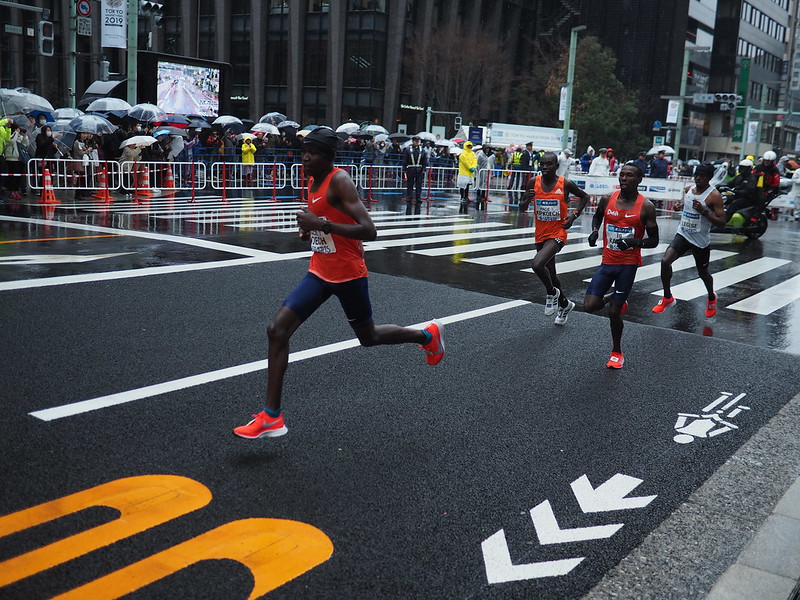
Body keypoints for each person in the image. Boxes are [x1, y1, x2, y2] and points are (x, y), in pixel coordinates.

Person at [233, 127, 445, 439]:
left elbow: (369, 231)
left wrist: (321, 224)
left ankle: (426, 335)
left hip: (348, 275)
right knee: (277, 330)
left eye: (312, 152)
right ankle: (271, 417)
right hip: (319, 272)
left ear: (328, 156)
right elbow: (323, 225)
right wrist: (311, 231)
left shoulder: (340, 180)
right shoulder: (311, 179)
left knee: (368, 337)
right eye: (304, 151)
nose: (305, 157)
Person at [583, 164, 659, 368]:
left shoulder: (646, 207)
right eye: (622, 174)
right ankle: (614, 297)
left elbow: (654, 241)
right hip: (607, 261)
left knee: (614, 313)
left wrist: (634, 242)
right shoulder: (608, 199)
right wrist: (594, 230)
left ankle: (616, 351)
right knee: (589, 306)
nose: (624, 178)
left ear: (639, 180)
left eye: (630, 175)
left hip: (628, 265)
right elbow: (598, 215)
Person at [519, 152, 590, 325]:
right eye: (542, 164)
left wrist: (573, 216)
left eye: (549, 164)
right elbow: (521, 208)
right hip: (541, 234)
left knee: (537, 264)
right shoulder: (532, 183)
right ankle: (565, 304)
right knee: (551, 273)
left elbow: (585, 197)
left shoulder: (564, 183)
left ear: (557, 166)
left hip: (558, 233)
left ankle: (551, 293)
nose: (545, 167)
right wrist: (526, 201)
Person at [652, 164, 727, 317]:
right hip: (683, 234)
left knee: (703, 273)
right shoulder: (689, 190)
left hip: (700, 240)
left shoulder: (713, 196)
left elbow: (722, 222)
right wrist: (680, 207)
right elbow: (687, 206)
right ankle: (667, 297)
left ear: (709, 178)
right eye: (696, 175)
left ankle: (712, 297)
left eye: (703, 176)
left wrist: (704, 211)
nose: (698, 178)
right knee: (665, 262)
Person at [402, 136, 427, 215]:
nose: (417, 143)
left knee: (419, 185)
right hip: (411, 168)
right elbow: (405, 159)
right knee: (410, 184)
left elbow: (424, 160)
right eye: (416, 141)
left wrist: (423, 168)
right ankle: (409, 197)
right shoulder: (408, 149)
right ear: (412, 141)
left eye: (418, 141)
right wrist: (404, 168)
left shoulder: (422, 150)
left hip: (419, 169)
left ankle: (418, 198)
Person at [457, 141, 477, 213]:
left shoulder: (473, 153)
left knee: (468, 185)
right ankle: (462, 197)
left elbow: (475, 160)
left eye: (471, 146)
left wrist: (473, 167)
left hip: (470, 173)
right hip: (463, 172)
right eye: (468, 146)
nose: (470, 147)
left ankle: (466, 197)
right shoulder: (463, 154)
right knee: (462, 186)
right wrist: (470, 167)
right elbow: (465, 162)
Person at [475, 145, 494, 210]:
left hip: (488, 171)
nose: (487, 150)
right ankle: (478, 195)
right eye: (486, 148)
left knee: (486, 184)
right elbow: (477, 163)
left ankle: (483, 195)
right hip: (481, 171)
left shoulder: (492, 155)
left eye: (488, 148)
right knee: (480, 183)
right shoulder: (480, 154)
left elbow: (492, 163)